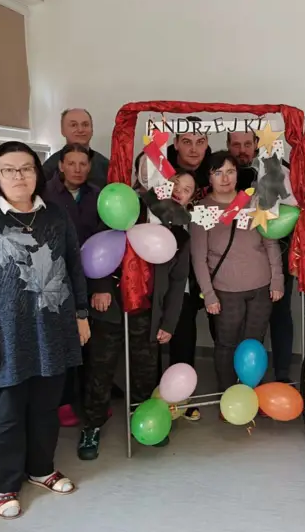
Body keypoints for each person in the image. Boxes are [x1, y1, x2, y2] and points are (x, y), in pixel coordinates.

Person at [0, 142, 90, 519]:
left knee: (46, 407)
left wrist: (81, 314)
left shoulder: (56, 216)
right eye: (8, 170)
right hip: (5, 335)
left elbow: (74, 267)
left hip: (53, 328)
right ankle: (4, 484)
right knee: (7, 413)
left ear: (37, 174)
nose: (18, 176)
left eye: (26, 168)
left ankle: (41, 469)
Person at [77, 169, 193, 459]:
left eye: (186, 189)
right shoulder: (127, 209)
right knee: (100, 370)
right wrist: (100, 287)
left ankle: (144, 420)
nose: (177, 191)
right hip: (110, 309)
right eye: (173, 184)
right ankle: (92, 425)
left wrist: (169, 322)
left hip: (148, 311)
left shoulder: (179, 233)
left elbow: (178, 281)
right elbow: (97, 250)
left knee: (145, 370)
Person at [191, 151, 284, 393]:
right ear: (209, 177)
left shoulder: (253, 202)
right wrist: (208, 295)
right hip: (225, 291)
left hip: (261, 287)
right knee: (227, 344)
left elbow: (270, 243)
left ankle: (252, 392)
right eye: (218, 173)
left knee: (254, 343)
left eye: (230, 171)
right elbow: (199, 258)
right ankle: (228, 394)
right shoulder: (202, 210)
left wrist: (277, 279)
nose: (225, 178)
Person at [42, 143, 102, 428]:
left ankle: (90, 401)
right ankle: (63, 401)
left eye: (83, 164)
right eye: (72, 163)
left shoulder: (98, 196)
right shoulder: (45, 194)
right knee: (61, 343)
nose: (78, 169)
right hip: (54, 280)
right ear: (61, 166)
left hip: (91, 278)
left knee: (91, 344)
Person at [228, 130, 295, 382]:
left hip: (277, 253)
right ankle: (241, 376)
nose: (242, 150)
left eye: (248, 144)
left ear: (257, 143)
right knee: (238, 319)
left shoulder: (276, 167)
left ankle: (282, 375)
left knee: (279, 312)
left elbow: (296, 209)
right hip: (237, 259)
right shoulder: (223, 171)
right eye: (236, 144)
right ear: (228, 145)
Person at [42, 108, 109, 188]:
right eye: (74, 125)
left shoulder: (107, 166)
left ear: (92, 130)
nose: (80, 130)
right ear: (62, 130)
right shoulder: (49, 168)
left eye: (85, 125)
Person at [167, 116, 212, 194]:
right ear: (176, 143)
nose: (194, 150)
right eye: (187, 142)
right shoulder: (159, 167)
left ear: (206, 143)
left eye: (200, 142)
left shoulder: (215, 170)